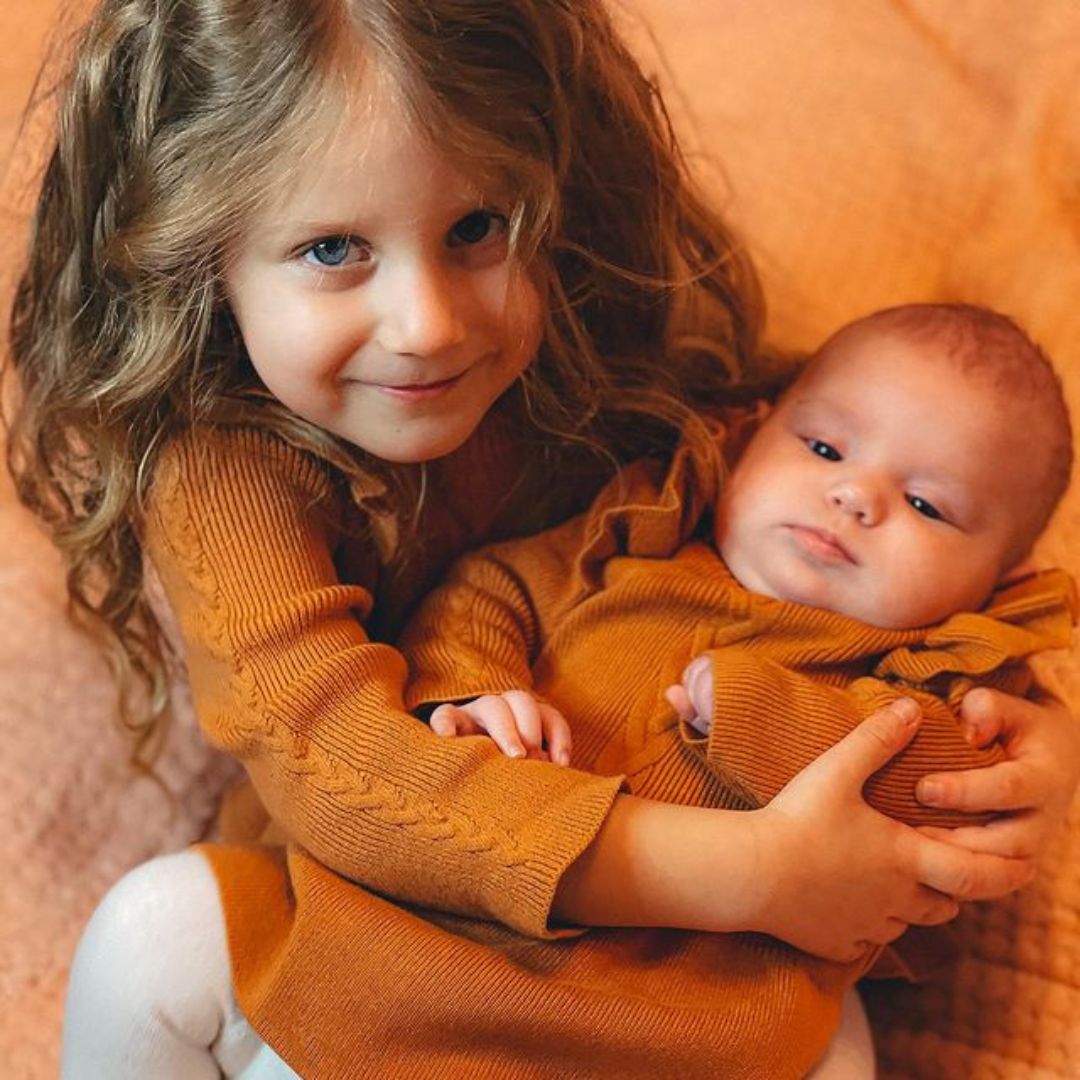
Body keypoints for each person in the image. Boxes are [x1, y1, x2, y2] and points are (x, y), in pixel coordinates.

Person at [4, 1, 1077, 1076]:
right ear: (200, 262)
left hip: (697, 975)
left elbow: (877, 462)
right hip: (391, 888)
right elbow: (338, 771)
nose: (427, 323)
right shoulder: (223, 470)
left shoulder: (625, 370)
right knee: (152, 932)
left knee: (830, 1044)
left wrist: (1034, 741)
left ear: (558, 196)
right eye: (332, 248)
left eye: (477, 228)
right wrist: (749, 871)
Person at [402, 302, 1076, 1074]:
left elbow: (942, 788)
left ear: (1001, 583)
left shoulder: (942, 665)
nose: (856, 496)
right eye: (824, 447)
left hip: (701, 1012)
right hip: (471, 919)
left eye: (927, 504)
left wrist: (767, 715)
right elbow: (492, 588)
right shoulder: (641, 532)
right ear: (753, 430)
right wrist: (479, 683)